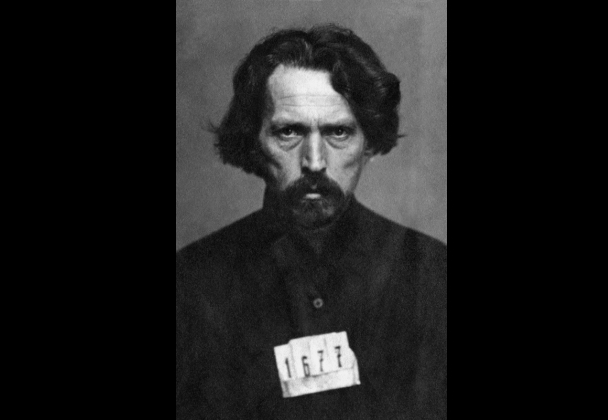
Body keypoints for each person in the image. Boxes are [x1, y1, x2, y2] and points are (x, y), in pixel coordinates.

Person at [176, 24, 447, 420]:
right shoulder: (189, 282)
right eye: (289, 132)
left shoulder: (435, 275)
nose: (315, 162)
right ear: (253, 141)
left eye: (338, 132)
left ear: (369, 142)